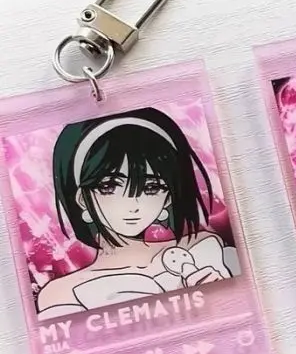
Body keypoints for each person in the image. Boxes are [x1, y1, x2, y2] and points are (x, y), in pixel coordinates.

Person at [38, 108, 236, 317]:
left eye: (151, 187)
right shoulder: (63, 294)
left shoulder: (202, 252)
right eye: (109, 186)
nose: (133, 204)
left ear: (168, 197)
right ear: (82, 199)